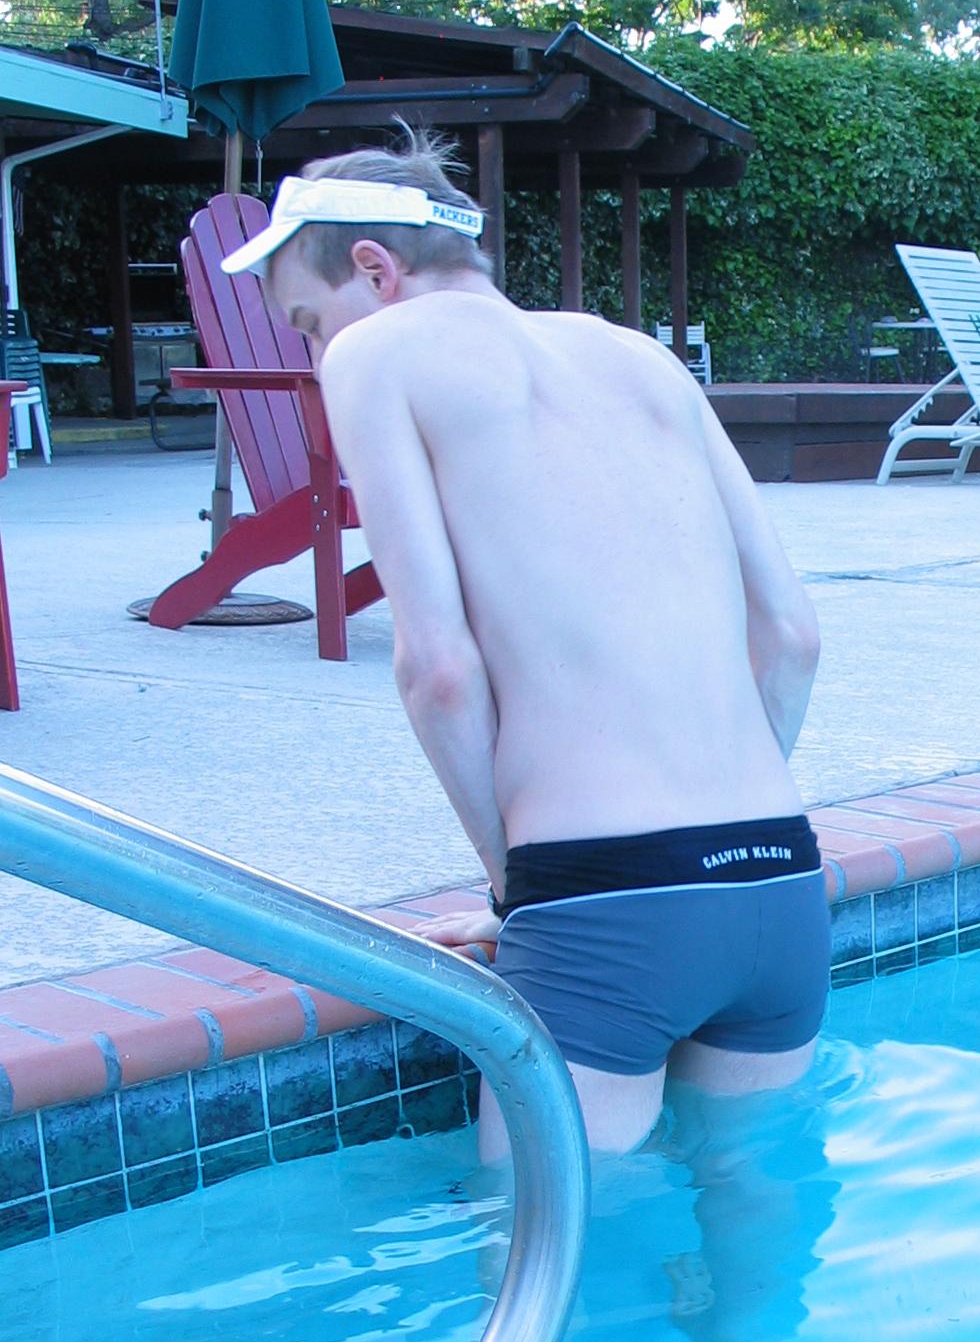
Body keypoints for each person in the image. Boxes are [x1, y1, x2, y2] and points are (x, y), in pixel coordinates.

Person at [223, 133, 827, 1155]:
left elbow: (440, 673)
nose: (314, 350)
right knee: (757, 1273)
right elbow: (793, 637)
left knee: (548, 1272)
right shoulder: (641, 358)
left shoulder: (379, 353)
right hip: (779, 881)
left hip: (608, 900)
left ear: (375, 270)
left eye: (307, 322)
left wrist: (521, 895)